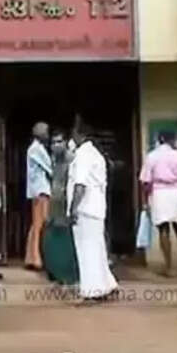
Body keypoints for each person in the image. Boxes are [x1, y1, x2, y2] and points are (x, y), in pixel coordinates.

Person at [68, 120, 118, 303]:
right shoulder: (95, 154)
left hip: (85, 209)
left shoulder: (83, 155)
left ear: (79, 135)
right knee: (97, 249)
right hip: (96, 208)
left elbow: (80, 185)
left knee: (86, 250)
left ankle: (91, 291)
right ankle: (107, 285)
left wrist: (73, 209)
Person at [139, 130, 177, 278]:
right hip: (176, 193)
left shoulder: (152, 156)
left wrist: (145, 202)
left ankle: (169, 267)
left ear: (160, 139)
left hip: (159, 193)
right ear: (172, 140)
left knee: (163, 230)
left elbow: (145, 182)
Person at [41, 129, 78, 286]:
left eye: (59, 142)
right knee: (52, 240)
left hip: (66, 204)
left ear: (65, 142)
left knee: (67, 242)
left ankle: (71, 277)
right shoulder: (52, 160)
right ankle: (57, 275)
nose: (56, 145)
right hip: (54, 203)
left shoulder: (72, 160)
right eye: (53, 142)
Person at [25, 122, 52, 271]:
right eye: (46, 132)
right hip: (41, 190)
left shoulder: (34, 149)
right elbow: (50, 168)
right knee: (40, 225)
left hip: (37, 190)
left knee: (35, 224)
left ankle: (31, 256)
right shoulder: (37, 149)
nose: (47, 135)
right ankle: (36, 258)